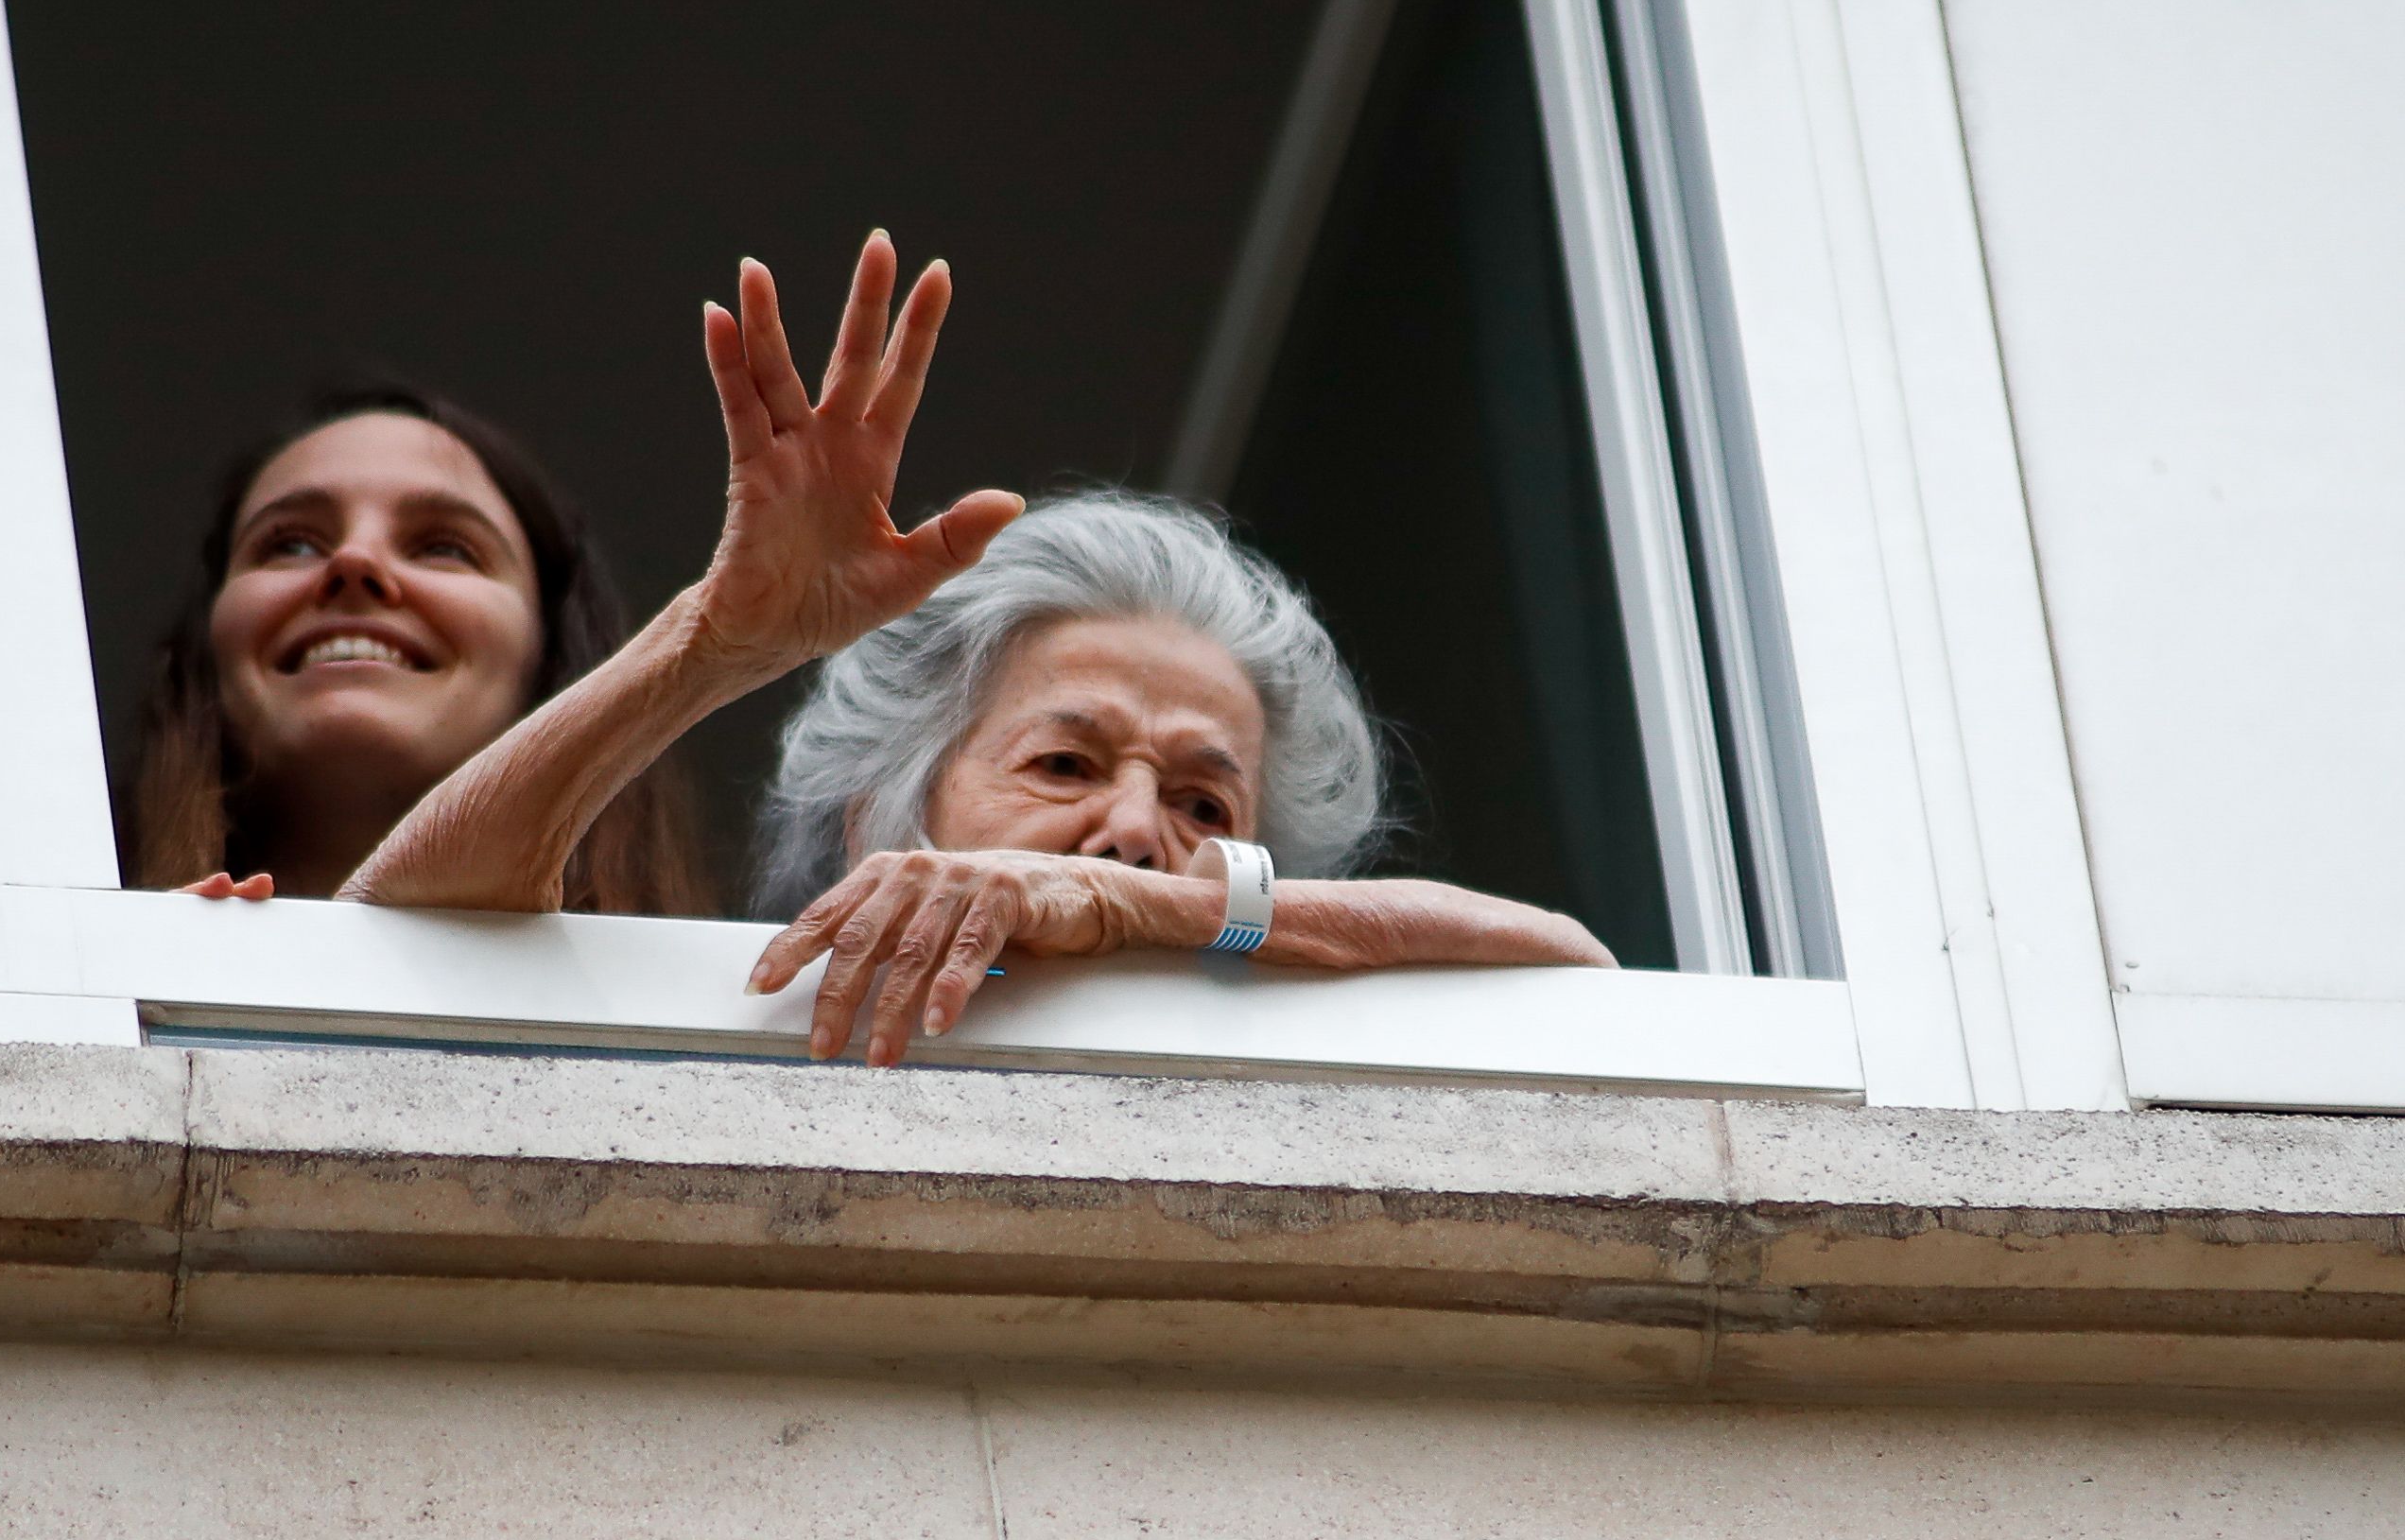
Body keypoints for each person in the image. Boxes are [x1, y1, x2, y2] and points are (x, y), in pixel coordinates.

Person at [348, 229, 1612, 1064]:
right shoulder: (745, 1028)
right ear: (876, 822)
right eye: (1064, 764)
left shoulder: (1280, 1036)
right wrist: (715, 643)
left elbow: (1574, 968)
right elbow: (399, 931)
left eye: (1205, 799)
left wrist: (1122, 906)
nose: (1133, 827)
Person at [119, 384, 710, 913]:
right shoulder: (61, 977)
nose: (354, 561)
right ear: (204, 657)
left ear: (553, 661)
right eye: (292, 544)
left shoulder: (718, 1010)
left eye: (445, 547)